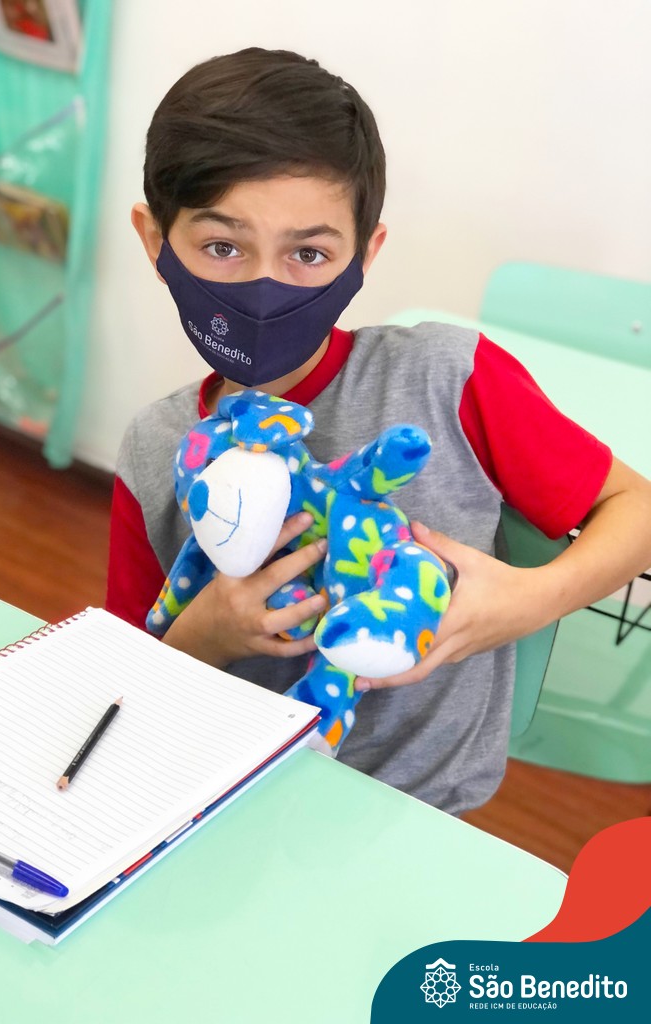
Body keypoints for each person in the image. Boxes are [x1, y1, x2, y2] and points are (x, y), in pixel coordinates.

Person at [107, 47, 651, 815]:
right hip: (224, 799)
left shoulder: (447, 378)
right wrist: (207, 634)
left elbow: (638, 507)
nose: (264, 286)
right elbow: (127, 674)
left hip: (425, 813)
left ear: (366, 253)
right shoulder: (155, 446)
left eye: (309, 253)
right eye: (223, 246)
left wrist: (531, 600)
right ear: (155, 239)